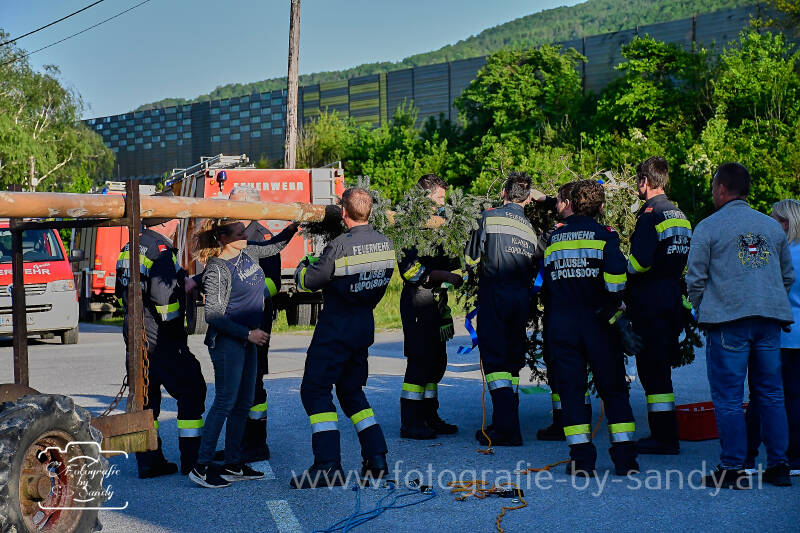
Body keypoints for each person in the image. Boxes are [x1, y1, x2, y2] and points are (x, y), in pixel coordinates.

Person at [686, 163, 794, 490]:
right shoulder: (772, 228)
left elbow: (695, 279)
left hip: (728, 321)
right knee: (772, 395)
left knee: (729, 397)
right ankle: (779, 466)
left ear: (721, 189)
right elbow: (787, 276)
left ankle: (733, 467)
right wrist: (767, 299)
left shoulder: (709, 227)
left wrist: (705, 310)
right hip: (769, 320)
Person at [290, 188, 395, 489]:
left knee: (315, 391)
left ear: (344, 214)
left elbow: (310, 282)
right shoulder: (385, 244)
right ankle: (376, 460)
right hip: (364, 324)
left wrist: (303, 267)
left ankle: (327, 467)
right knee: (352, 393)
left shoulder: (339, 246)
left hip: (336, 328)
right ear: (369, 212)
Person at [542, 179, 641, 476]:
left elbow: (546, 287)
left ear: (572, 203)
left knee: (571, 392)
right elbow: (616, 282)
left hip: (561, 324)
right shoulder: (605, 236)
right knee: (613, 390)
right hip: (599, 324)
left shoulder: (554, 240)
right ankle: (625, 460)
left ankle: (581, 461)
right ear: (599, 208)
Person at [188, 218, 295, 489]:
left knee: (243, 402)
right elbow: (213, 315)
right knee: (225, 402)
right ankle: (201, 467)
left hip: (249, 341)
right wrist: (248, 334)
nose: (245, 234)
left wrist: (295, 227)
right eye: (239, 232)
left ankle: (234, 462)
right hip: (229, 343)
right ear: (224, 238)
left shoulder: (247, 252)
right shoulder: (216, 270)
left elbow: (273, 247)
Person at [115, 213, 206, 478]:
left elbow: (122, 291)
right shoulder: (161, 250)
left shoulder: (129, 246)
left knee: (146, 397)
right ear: (167, 223)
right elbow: (162, 296)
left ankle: (148, 462)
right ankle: (192, 460)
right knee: (191, 389)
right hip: (162, 335)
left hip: (134, 330)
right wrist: (175, 327)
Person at [211, 185, 297, 463]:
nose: (228, 207)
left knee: (254, 381)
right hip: (237, 321)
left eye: (234, 204)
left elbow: (273, 282)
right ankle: (239, 444)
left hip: (256, 319)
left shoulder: (261, 236)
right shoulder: (232, 233)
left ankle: (256, 442)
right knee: (238, 384)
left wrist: (242, 293)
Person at [465, 172, 538, 447]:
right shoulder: (531, 229)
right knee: (511, 361)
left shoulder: (489, 216)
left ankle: (507, 430)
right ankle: (505, 420)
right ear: (527, 200)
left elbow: (471, 258)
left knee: (495, 362)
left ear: (504, 194)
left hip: (495, 294)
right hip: (521, 299)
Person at [626, 157, 691, 455]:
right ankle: (667, 434)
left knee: (652, 371)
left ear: (645, 182)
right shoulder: (679, 214)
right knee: (661, 369)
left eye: (638, 180)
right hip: (671, 298)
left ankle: (663, 438)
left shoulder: (651, 214)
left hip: (649, 302)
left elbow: (639, 263)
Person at [398, 174, 463, 440]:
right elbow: (411, 271)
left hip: (436, 302)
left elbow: (450, 259)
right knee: (420, 361)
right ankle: (411, 422)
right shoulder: (409, 227)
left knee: (436, 362)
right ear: (423, 198)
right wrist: (444, 276)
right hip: (417, 302)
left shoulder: (439, 226)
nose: (442, 203)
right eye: (438, 198)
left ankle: (429, 415)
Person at [531, 182, 593, 441]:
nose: (555, 205)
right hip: (590, 314)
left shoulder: (553, 236)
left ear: (567, 204)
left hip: (561, 314)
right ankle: (583, 420)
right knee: (583, 368)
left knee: (560, 370)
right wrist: (546, 199)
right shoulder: (597, 231)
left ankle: (563, 423)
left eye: (558, 201)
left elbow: (533, 261)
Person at [745, 199, 800, 477]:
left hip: (776, 333)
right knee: (794, 397)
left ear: (785, 223)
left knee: (760, 396)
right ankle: (794, 456)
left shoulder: (775, 253)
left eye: (774, 218)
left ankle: (747, 454)